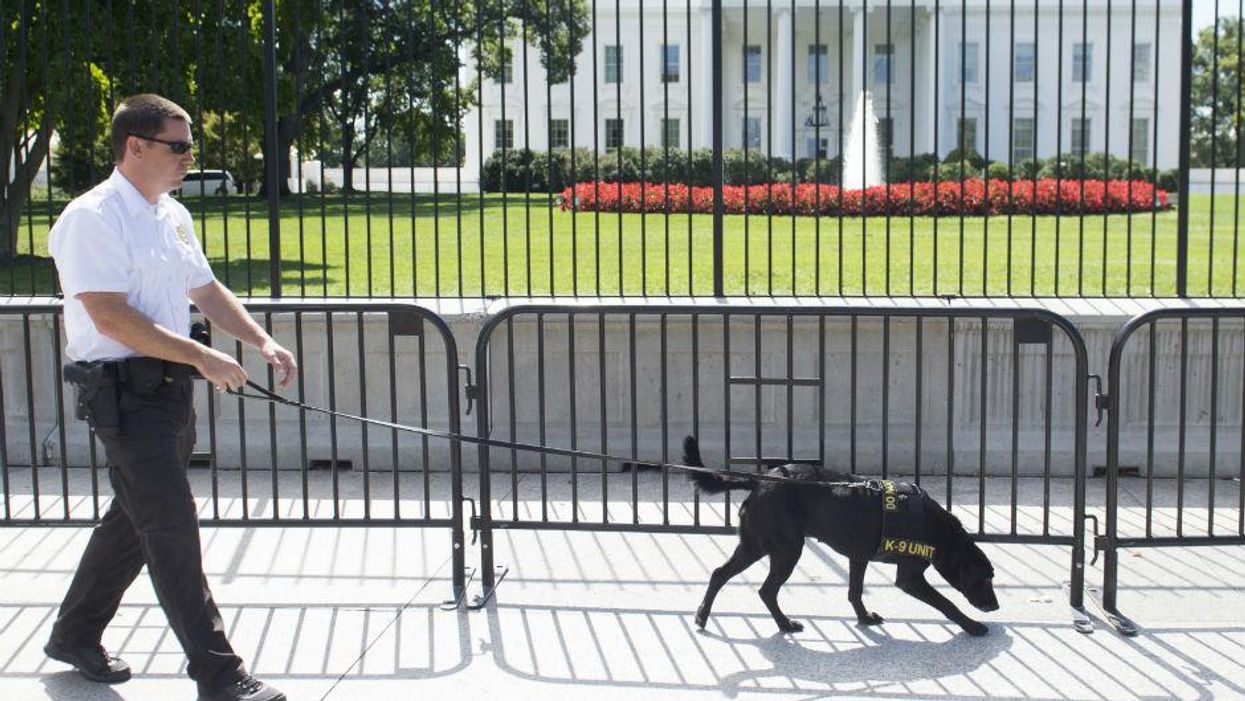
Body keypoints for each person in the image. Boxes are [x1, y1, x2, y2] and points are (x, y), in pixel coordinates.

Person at [44, 94, 294, 701]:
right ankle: (219, 675)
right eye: (178, 146)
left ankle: (75, 634)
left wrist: (259, 339)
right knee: (172, 530)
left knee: (133, 521)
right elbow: (108, 316)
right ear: (136, 146)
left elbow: (204, 290)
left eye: (189, 147)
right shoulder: (91, 217)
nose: (189, 157)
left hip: (169, 393)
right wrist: (202, 356)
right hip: (124, 398)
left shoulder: (170, 216)